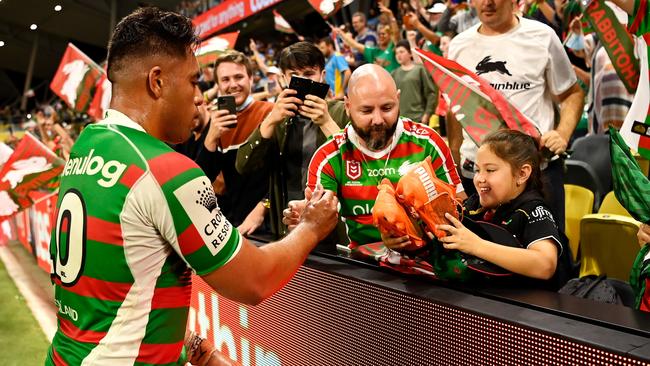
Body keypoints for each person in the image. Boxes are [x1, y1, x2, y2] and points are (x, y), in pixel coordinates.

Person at [45, 8, 338, 365]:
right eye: (193, 81)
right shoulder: (165, 170)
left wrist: (179, 342)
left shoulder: (88, 143)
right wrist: (311, 226)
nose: (200, 95)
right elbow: (254, 280)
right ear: (158, 82)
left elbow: (121, 270)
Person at [283, 64, 462, 249]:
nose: (377, 120)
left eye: (387, 108)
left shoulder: (428, 143)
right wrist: (305, 216)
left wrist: (419, 223)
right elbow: (318, 216)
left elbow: (460, 206)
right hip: (366, 268)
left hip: (432, 262)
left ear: (398, 99)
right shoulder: (329, 156)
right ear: (347, 106)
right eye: (366, 111)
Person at [446, 0, 585, 231]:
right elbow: (455, 107)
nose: (487, 3)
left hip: (533, 175)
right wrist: (454, 157)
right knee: (479, 259)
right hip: (477, 177)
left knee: (548, 258)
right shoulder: (459, 45)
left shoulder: (542, 37)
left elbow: (572, 93)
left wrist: (562, 134)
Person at [236, 41, 350, 238]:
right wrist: (271, 120)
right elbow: (243, 166)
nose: (302, 81)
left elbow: (358, 169)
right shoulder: (277, 119)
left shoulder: (340, 112)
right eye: (294, 75)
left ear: (322, 76)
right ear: (283, 79)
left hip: (334, 230)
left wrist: (327, 123)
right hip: (288, 229)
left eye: (309, 74)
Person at [433, 129, 568, 289]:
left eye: (490, 170)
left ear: (522, 174)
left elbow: (545, 265)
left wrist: (476, 246)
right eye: (477, 170)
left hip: (526, 308)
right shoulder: (475, 205)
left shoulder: (534, 210)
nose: (480, 178)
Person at [195, 51, 274, 234]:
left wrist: (264, 207)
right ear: (218, 85)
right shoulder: (218, 121)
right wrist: (212, 136)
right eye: (225, 79)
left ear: (251, 79)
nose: (233, 85)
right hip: (234, 224)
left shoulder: (270, 113)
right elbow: (201, 180)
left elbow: (283, 176)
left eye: (239, 77)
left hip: (268, 223)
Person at [391, 40, 437, 124]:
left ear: (410, 53)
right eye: (396, 53)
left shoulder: (420, 70)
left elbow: (431, 93)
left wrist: (427, 114)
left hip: (418, 118)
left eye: (401, 52)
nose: (398, 55)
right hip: (400, 120)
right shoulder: (394, 73)